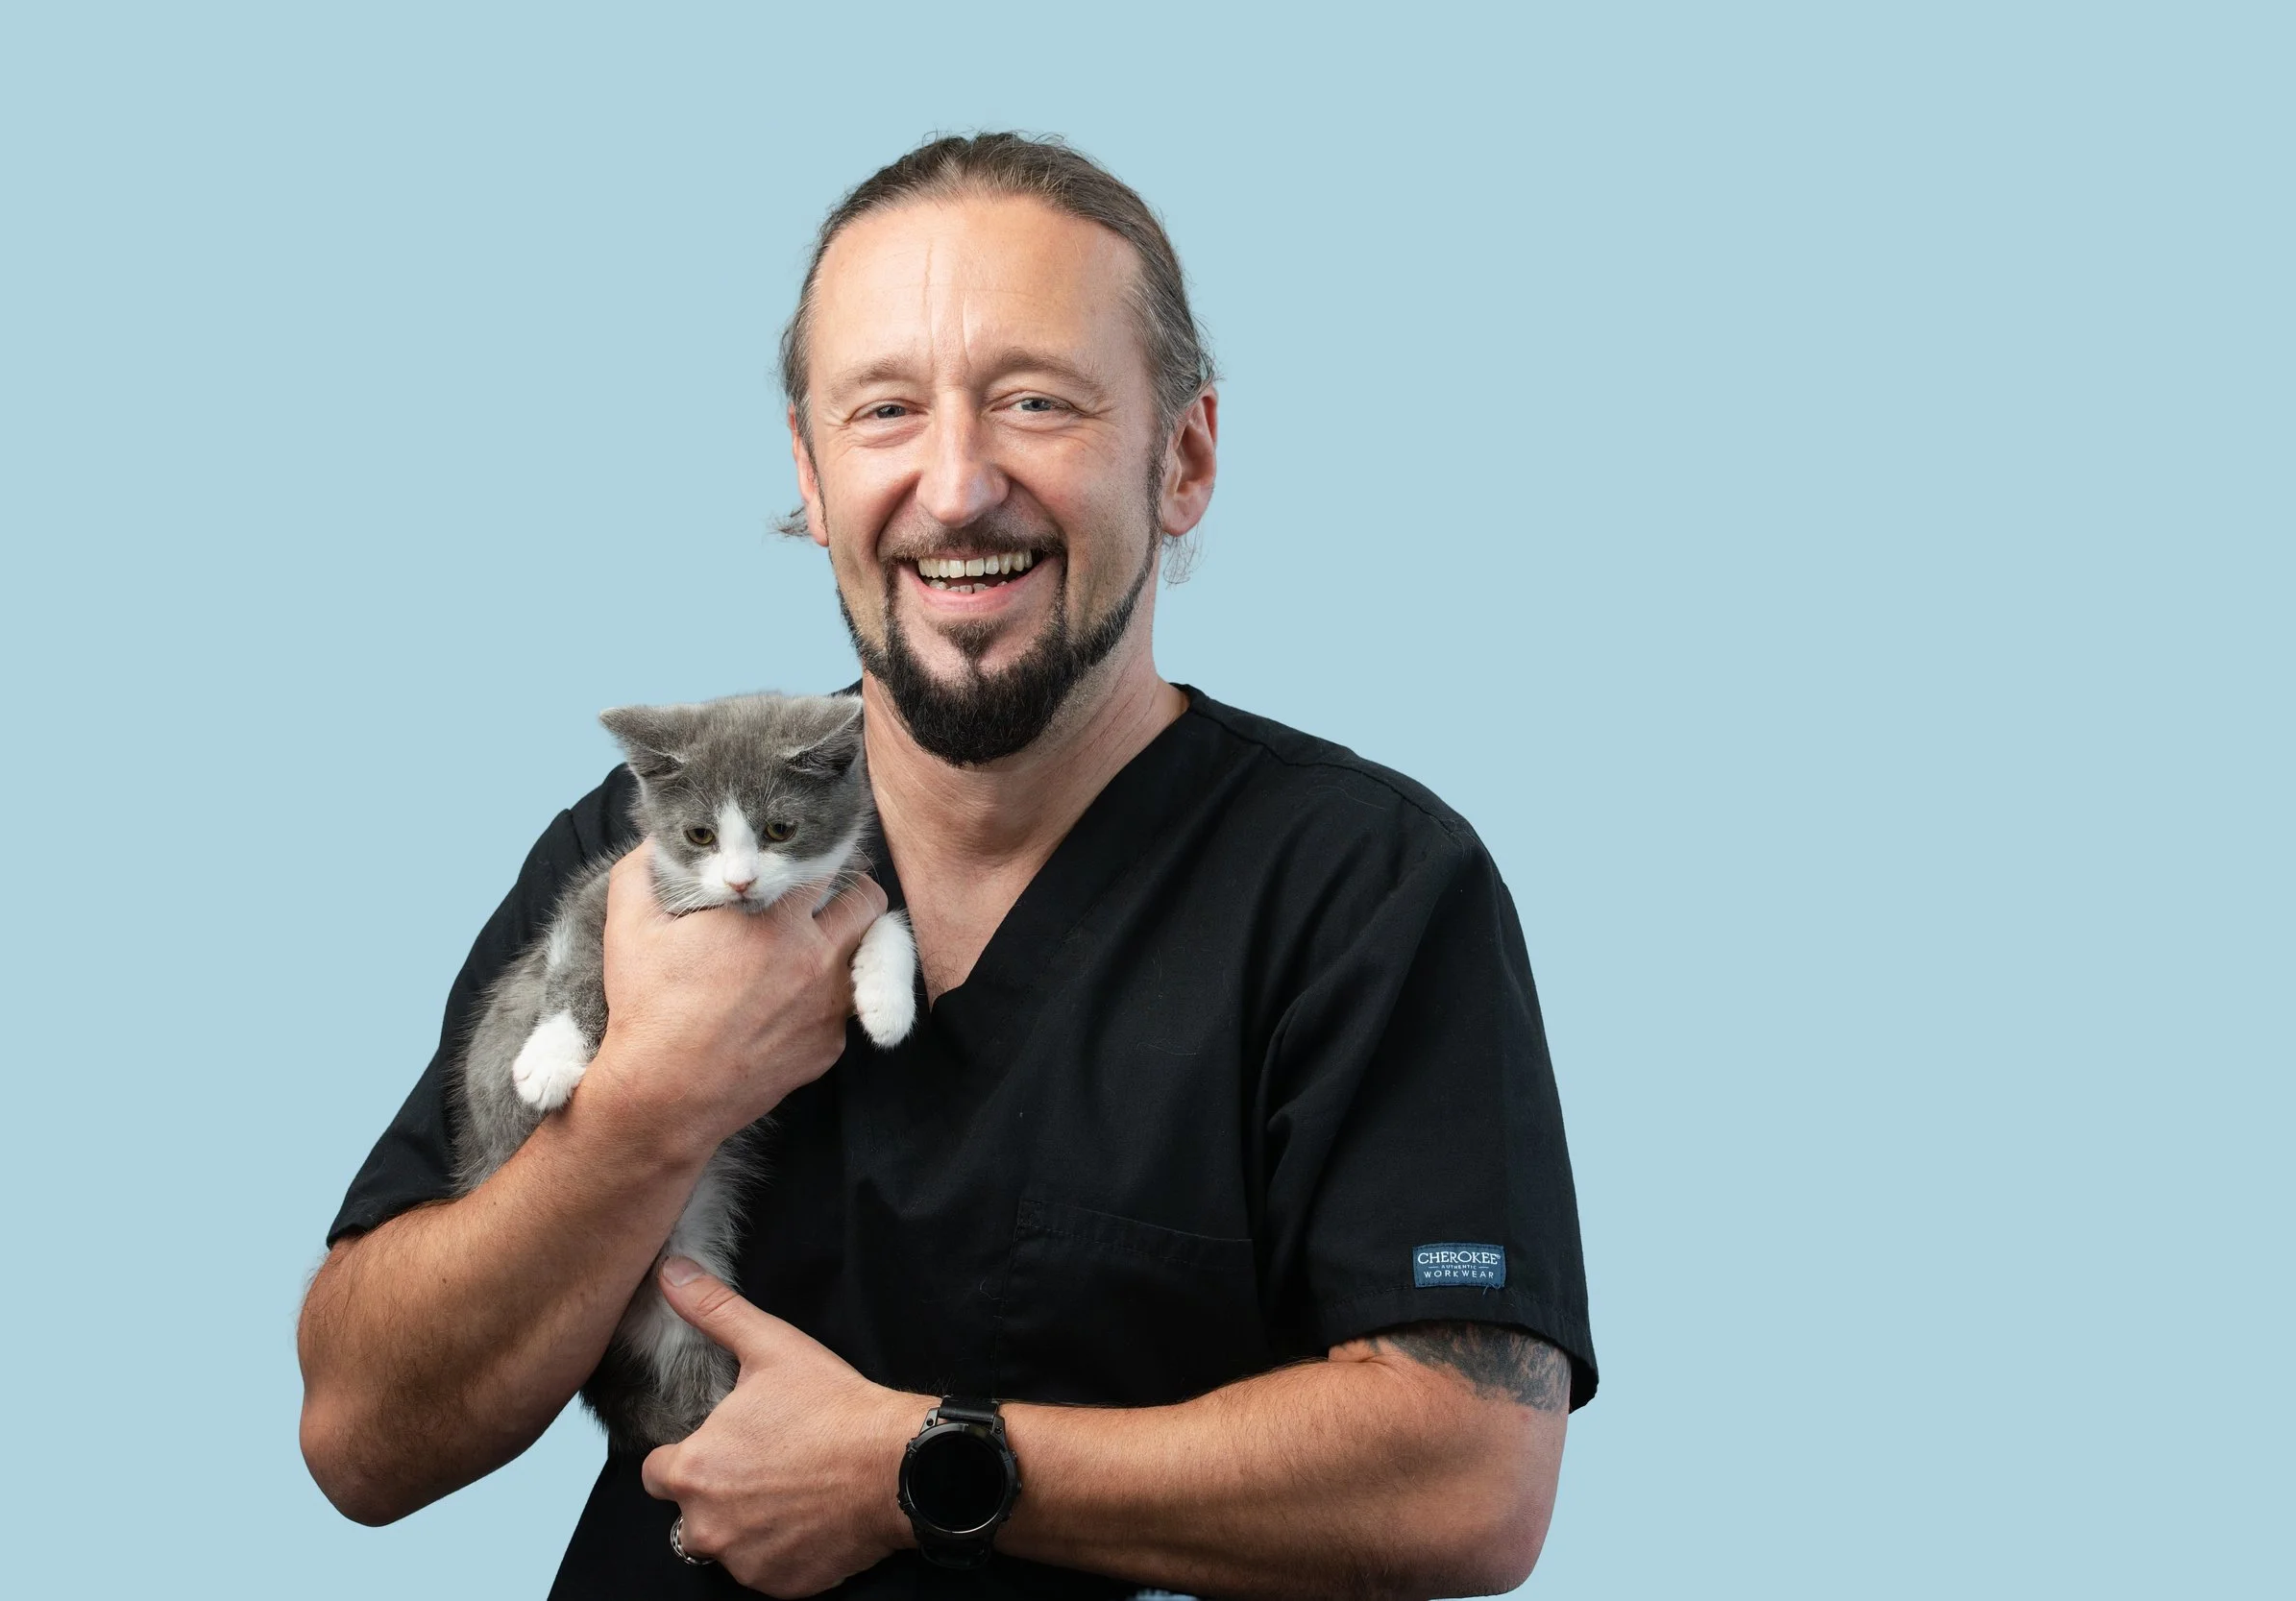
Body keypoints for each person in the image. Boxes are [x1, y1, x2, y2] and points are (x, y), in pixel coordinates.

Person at [298, 132, 1598, 1600]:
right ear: (810, 475)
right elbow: (359, 1435)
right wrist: (646, 1108)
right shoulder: (646, 848)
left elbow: (1471, 1477)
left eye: (1036, 401)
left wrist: (912, 1468)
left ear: (1183, 459)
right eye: (885, 411)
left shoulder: (1364, 892)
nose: (959, 483)